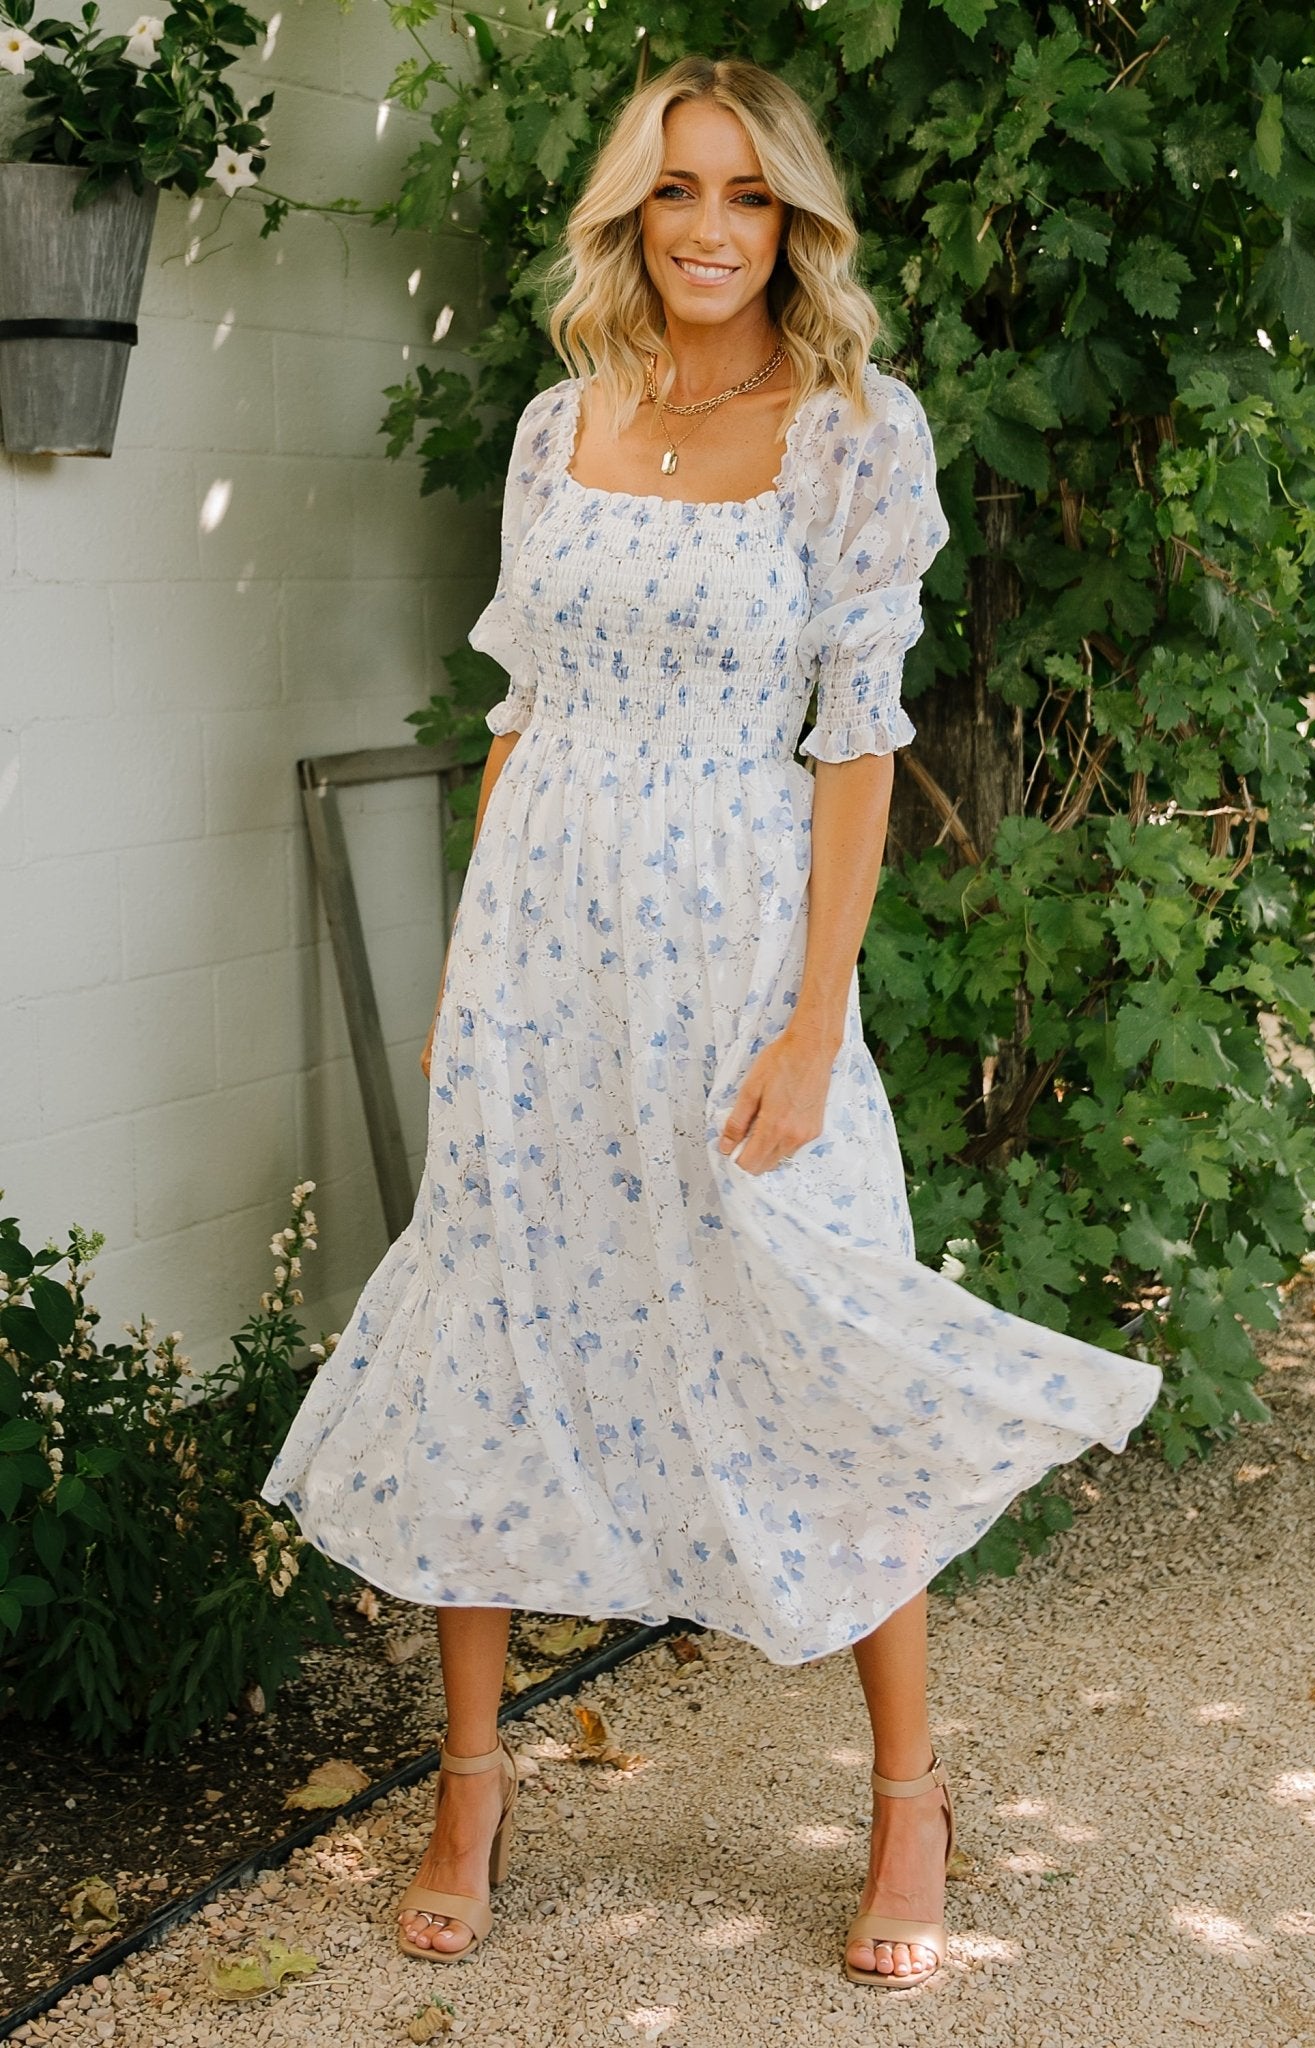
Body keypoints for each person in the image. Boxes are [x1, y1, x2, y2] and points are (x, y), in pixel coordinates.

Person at [261, 53, 1163, 1991]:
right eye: (672, 191)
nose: (702, 227)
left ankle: (908, 1798)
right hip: (542, 950)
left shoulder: (853, 428)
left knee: (814, 1329)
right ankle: (470, 1785)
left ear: (790, 225)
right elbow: (513, 720)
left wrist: (809, 1016)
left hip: (739, 944)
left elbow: (854, 747)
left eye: (741, 196)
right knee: (492, 1330)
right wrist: (457, 993)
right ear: (626, 213)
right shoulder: (549, 422)